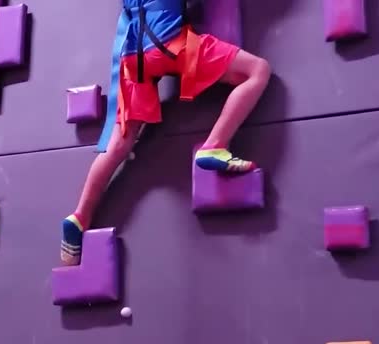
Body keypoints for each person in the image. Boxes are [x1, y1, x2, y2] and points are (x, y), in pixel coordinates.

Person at [61, 0, 271, 265]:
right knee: (257, 71)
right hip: (168, 44)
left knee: (118, 145)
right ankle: (215, 144)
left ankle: (79, 216)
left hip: (133, 58)